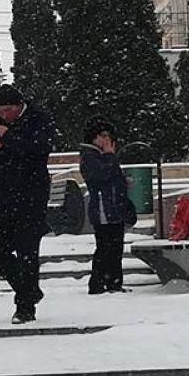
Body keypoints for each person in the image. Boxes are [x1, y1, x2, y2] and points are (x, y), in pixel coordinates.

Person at [0, 85, 57, 324]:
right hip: (3, 195)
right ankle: (29, 290)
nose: (4, 115)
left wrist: (8, 137)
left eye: (8, 110)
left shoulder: (38, 119)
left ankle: (25, 307)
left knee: (27, 250)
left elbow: (39, 149)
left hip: (31, 195)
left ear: (19, 106)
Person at [79, 117, 136, 295]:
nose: (107, 140)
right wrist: (110, 155)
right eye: (103, 136)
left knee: (114, 246)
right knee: (106, 246)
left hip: (113, 207)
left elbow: (110, 175)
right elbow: (102, 175)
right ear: (94, 137)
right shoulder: (90, 156)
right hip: (104, 208)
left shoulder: (99, 156)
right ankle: (99, 282)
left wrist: (122, 182)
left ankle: (113, 282)